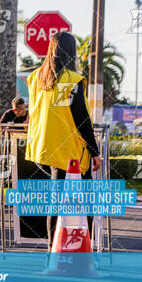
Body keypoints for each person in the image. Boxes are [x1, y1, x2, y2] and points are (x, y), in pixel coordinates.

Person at [25, 31, 101, 249]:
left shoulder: (36, 77)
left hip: (42, 149)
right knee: (84, 202)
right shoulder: (71, 80)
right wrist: (94, 152)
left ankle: (53, 248)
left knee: (57, 199)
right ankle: (78, 248)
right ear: (72, 52)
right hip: (69, 152)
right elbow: (81, 120)